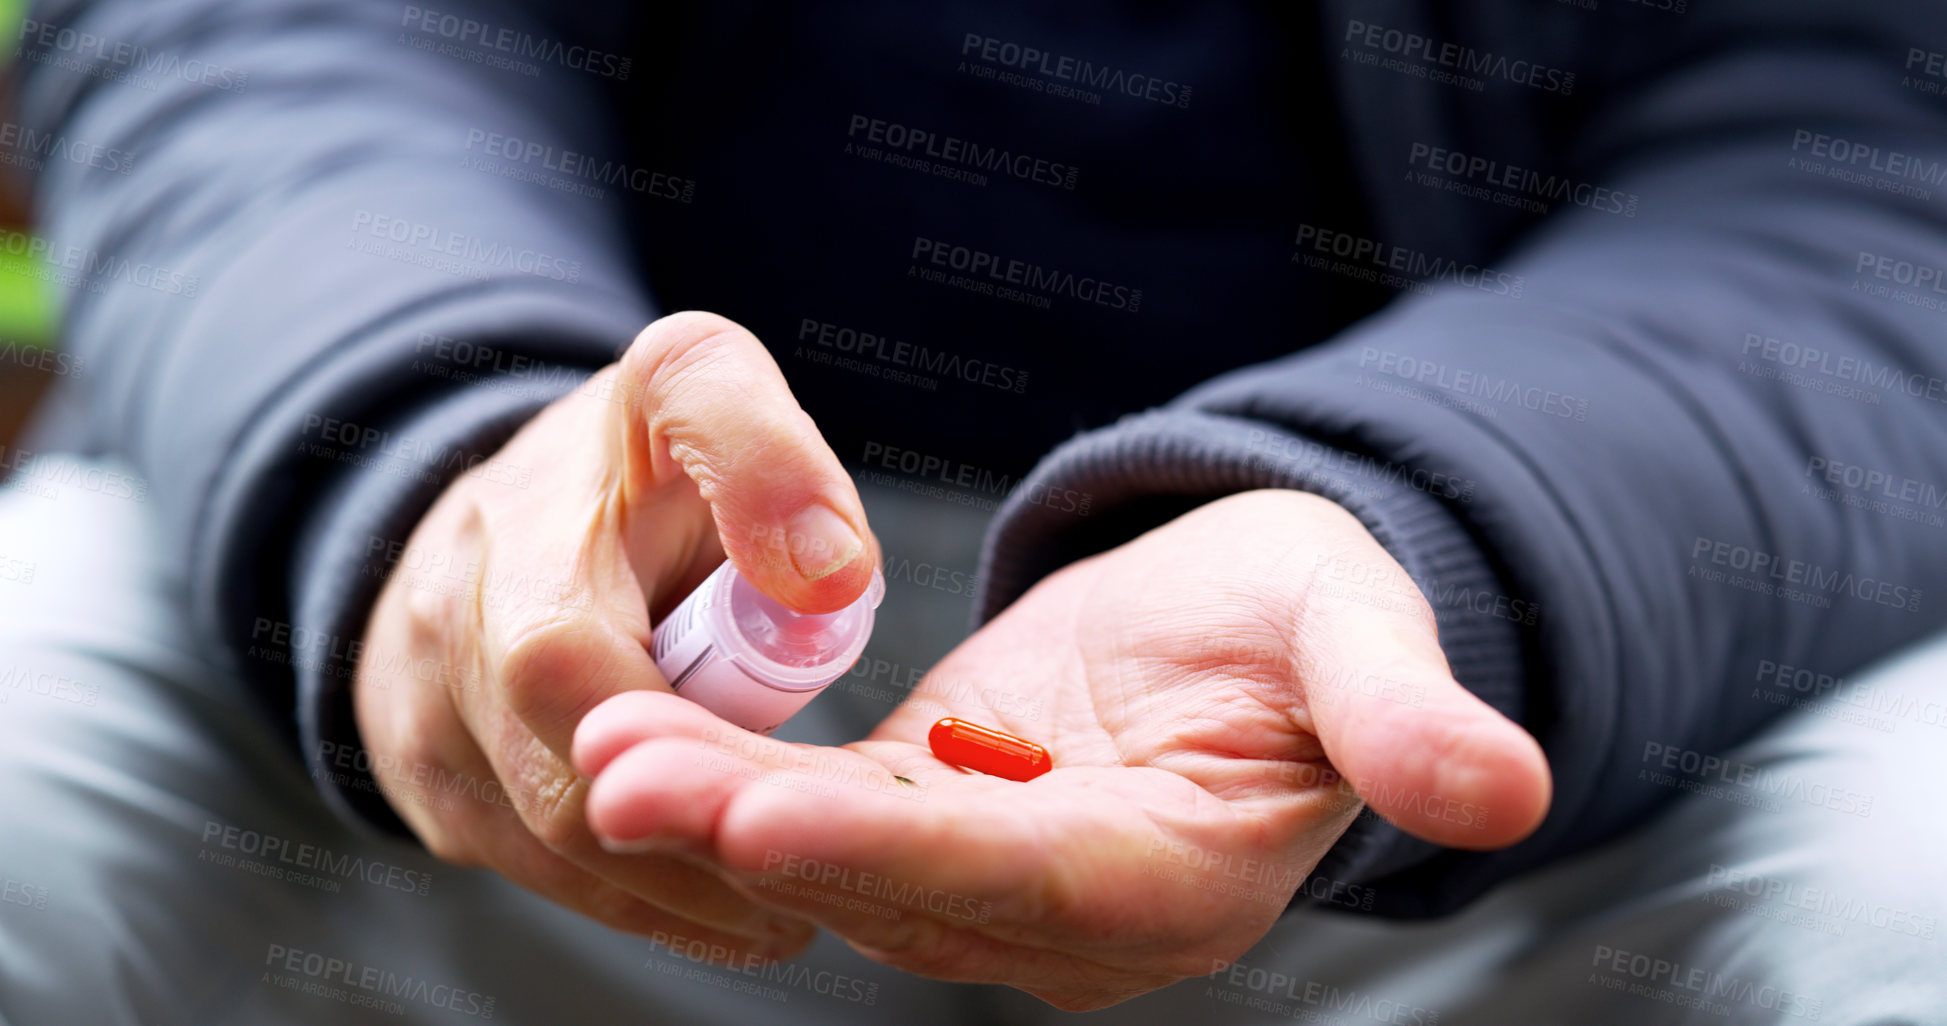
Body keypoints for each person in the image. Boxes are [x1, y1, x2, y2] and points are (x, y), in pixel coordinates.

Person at [2, 0, 1946, 1021]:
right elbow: (258, 38)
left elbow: (1868, 169)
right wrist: (431, 457)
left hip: (1526, 701)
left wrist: (1423, 528)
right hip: (494, 696)